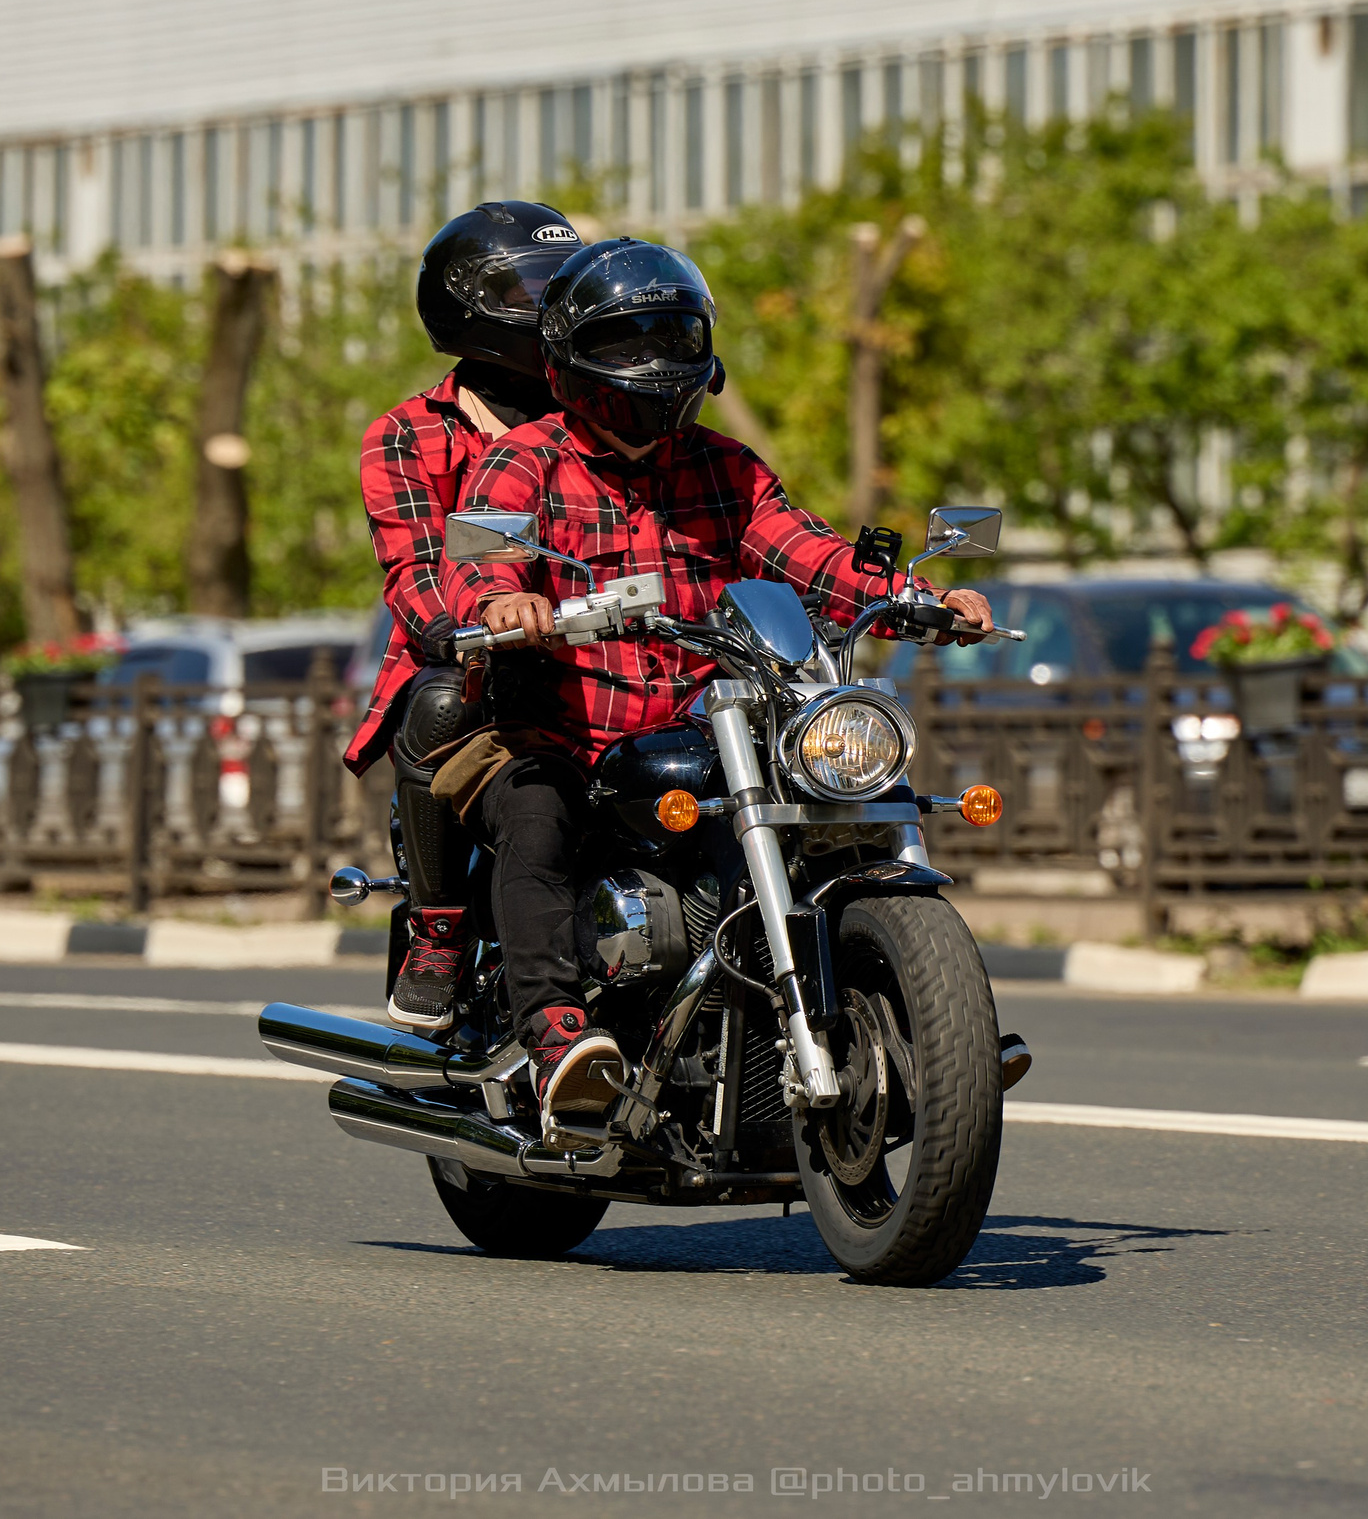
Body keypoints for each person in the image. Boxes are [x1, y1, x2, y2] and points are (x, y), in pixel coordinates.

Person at [445, 238, 992, 1130]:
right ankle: (554, 1039)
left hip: (707, 722)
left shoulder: (725, 468)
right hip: (562, 723)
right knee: (536, 820)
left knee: (818, 803)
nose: (653, 362)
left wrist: (916, 597)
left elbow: (806, 549)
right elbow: (483, 559)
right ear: (575, 357)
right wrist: (508, 602)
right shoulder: (528, 461)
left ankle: (914, 1025)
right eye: (628, 340)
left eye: (670, 335)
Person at [344, 201, 583, 1032]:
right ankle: (438, 924)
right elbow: (411, 569)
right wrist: (469, 623)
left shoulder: (600, 417)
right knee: (442, 698)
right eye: (534, 287)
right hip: (467, 650)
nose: (556, 303)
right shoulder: (409, 432)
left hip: (605, 646)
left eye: (563, 284)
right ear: (468, 302)